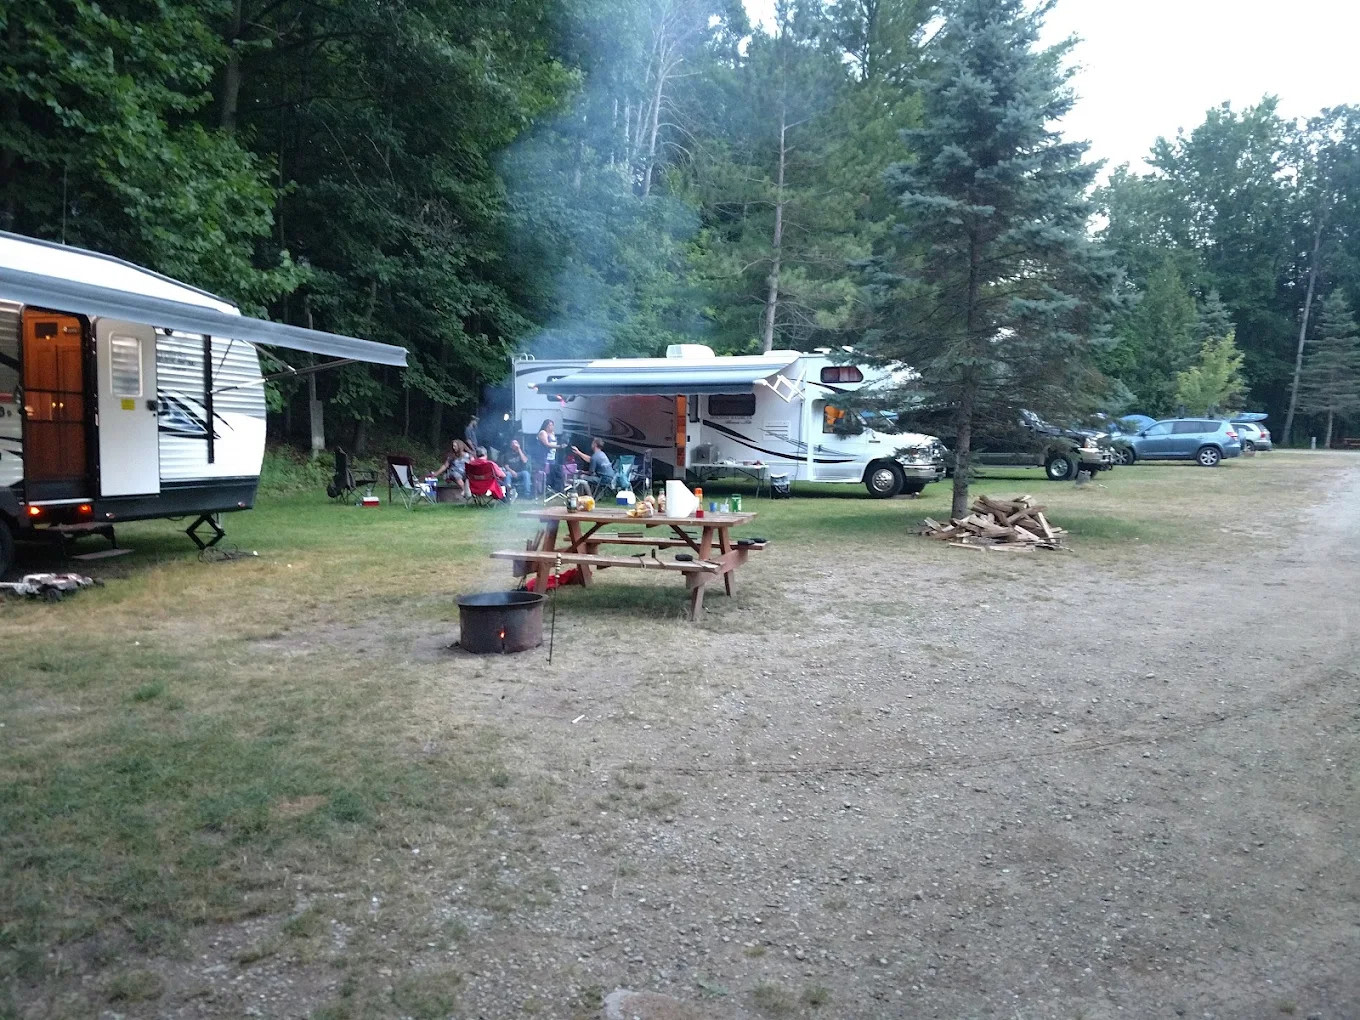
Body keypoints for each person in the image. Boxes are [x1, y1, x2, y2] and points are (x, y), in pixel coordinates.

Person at [536, 419, 563, 492]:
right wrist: (559, 446)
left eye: (552, 425)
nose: (551, 427)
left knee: (552, 474)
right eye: (550, 425)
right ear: (546, 426)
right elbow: (547, 444)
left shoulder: (553, 434)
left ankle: (551, 489)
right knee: (544, 474)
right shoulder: (543, 433)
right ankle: (541, 491)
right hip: (544, 458)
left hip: (552, 457)